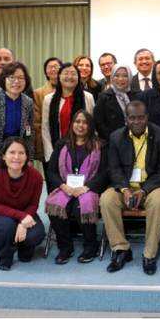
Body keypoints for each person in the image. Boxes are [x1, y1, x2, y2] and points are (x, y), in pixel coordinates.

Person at [99, 101, 160, 275]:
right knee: (106, 200)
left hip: (152, 186)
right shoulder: (116, 137)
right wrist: (124, 190)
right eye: (132, 118)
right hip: (125, 186)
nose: (137, 122)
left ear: (147, 117)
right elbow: (114, 168)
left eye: (141, 117)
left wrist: (144, 190)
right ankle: (121, 249)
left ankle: (149, 253)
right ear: (126, 120)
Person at [46, 110, 109, 264]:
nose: (81, 125)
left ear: (90, 125)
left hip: (89, 188)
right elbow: (51, 171)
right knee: (55, 206)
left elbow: (105, 172)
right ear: (72, 124)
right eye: (77, 121)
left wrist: (86, 187)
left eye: (85, 122)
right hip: (66, 187)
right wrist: (63, 186)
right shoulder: (62, 144)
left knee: (80, 207)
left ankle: (90, 246)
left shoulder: (101, 145)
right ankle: (65, 247)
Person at [0, 137, 45, 271]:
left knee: (37, 234)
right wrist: (22, 218)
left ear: (27, 156)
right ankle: (4, 257)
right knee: (6, 227)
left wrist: (23, 223)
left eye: (21, 153)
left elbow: (33, 205)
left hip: (26, 213)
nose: (17, 157)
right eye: (12, 152)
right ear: (3, 155)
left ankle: (22, 247)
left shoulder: (36, 177)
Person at [42, 63, 95, 182]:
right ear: (59, 76)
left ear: (78, 78)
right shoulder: (48, 99)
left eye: (73, 74)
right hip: (57, 150)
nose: (69, 77)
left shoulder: (88, 97)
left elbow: (92, 125)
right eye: (66, 73)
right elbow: (45, 128)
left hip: (82, 151)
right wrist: (50, 154)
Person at [0, 62, 35, 172]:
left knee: (17, 187)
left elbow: (29, 133)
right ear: (4, 79)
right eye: (11, 77)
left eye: (21, 78)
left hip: (18, 156)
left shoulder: (28, 102)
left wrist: (29, 158)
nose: (16, 82)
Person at [94, 64, 140, 141]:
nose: (120, 79)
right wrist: (113, 139)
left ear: (130, 77)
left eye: (125, 76)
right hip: (113, 141)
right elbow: (99, 123)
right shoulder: (104, 97)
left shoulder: (137, 95)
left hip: (136, 140)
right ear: (112, 77)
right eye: (117, 75)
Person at [34, 57, 62, 163]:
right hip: (47, 141)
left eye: (56, 67)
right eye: (50, 67)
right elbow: (37, 122)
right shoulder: (38, 93)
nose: (53, 69)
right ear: (46, 71)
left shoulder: (69, 89)